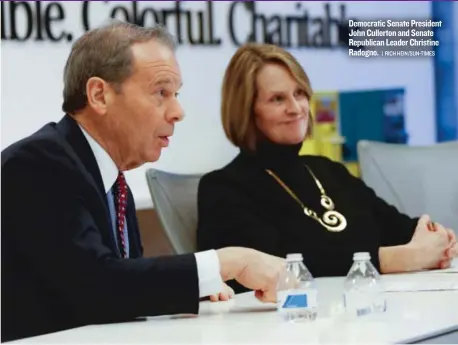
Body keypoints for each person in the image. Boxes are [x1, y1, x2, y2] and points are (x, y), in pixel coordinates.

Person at [1, 23, 286, 342]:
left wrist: (193, 287)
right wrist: (226, 263)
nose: (178, 112)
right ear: (99, 95)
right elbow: (95, 286)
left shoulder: (111, 178)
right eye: (161, 92)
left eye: (176, 94)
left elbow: (120, 287)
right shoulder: (38, 164)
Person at [196, 43, 457, 293]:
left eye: (299, 93)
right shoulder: (223, 188)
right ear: (246, 111)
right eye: (277, 99)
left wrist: (437, 238)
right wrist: (400, 258)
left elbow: (396, 227)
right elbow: (281, 266)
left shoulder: (328, 171)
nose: (296, 108)